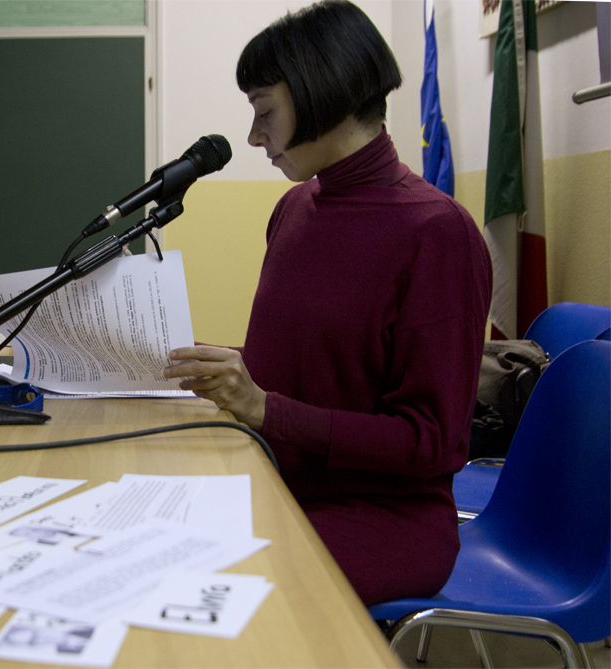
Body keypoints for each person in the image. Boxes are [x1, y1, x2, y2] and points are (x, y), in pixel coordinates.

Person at [163, 0, 492, 606]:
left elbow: (432, 442)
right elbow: (293, 364)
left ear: (323, 94)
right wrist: (192, 361)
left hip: (382, 518)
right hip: (278, 478)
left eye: (265, 112)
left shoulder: (438, 234)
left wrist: (265, 410)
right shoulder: (295, 209)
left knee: (199, 588)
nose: (254, 136)